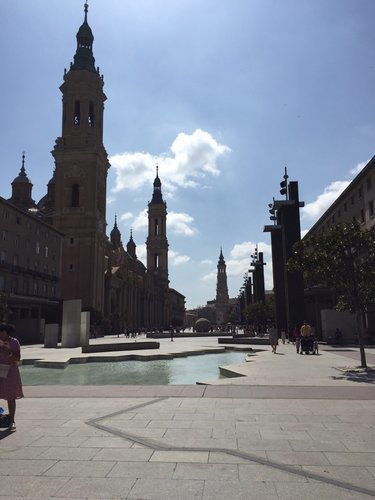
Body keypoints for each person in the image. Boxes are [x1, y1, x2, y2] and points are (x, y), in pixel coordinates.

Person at [0, 323, 24, 431]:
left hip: (10, 372)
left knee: (11, 397)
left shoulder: (14, 342)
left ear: (5, 332)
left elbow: (17, 358)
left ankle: (12, 420)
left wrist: (7, 348)